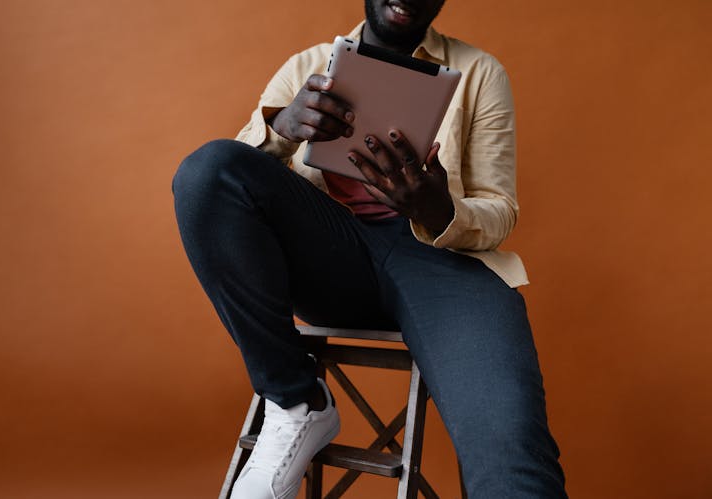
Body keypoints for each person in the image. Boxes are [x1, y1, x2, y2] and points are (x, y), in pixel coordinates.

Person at [172, 0, 568, 497]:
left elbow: (499, 210)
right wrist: (281, 129)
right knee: (207, 170)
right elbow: (226, 200)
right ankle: (297, 403)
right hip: (332, 257)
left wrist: (437, 208)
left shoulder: (480, 71)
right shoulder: (304, 66)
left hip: (441, 263)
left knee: (512, 448)